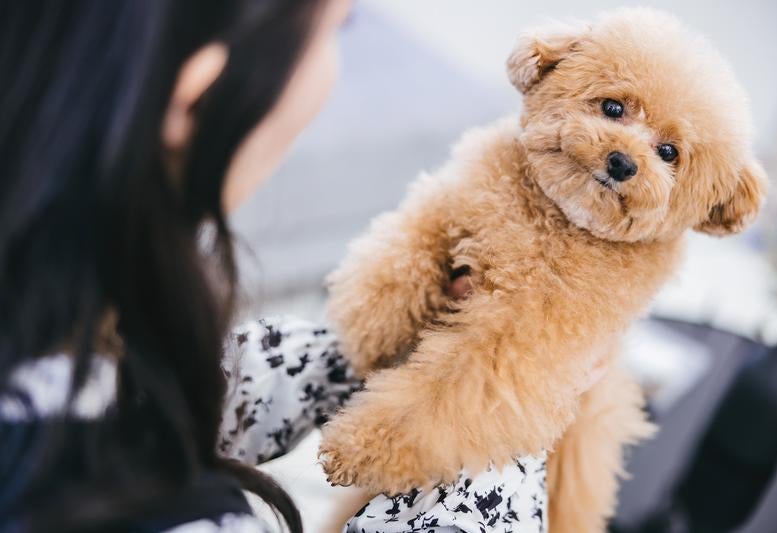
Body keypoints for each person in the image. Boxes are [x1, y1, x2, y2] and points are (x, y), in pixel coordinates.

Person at [0, 0, 603, 531]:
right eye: (341, 27)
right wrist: (504, 428)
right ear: (201, 92)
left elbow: (167, 395)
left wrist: (377, 354)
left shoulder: (58, 326)